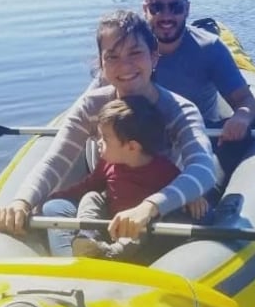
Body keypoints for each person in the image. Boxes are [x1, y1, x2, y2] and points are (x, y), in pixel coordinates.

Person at [0, 10, 217, 247]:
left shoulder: (180, 110)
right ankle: (82, 264)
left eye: (135, 53)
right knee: (54, 208)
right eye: (112, 57)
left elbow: (203, 169)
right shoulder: (91, 106)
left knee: (201, 216)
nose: (125, 65)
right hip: (109, 195)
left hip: (161, 206)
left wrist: (148, 207)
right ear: (101, 63)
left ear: (154, 57)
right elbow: (55, 161)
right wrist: (22, 202)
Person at [41, 95, 206, 259]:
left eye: (104, 139)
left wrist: (194, 197)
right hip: (111, 223)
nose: (98, 142)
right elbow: (87, 186)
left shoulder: (163, 170)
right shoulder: (107, 164)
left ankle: (110, 254)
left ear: (132, 147)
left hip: (138, 229)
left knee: (144, 227)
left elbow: (180, 190)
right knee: (91, 197)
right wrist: (56, 196)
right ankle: (87, 238)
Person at [142, 0, 255, 176]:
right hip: (144, 142)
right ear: (145, 9)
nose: (166, 16)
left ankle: (211, 194)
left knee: (250, 132)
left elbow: (247, 102)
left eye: (175, 7)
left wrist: (241, 118)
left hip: (200, 139)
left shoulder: (210, 49)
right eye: (157, 7)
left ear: (187, 9)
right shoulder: (130, 50)